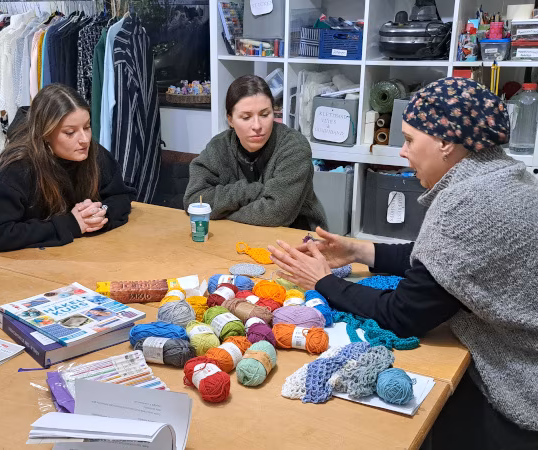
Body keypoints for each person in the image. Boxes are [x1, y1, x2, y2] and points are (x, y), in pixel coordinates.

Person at [268, 78, 538, 448]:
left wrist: (323, 282)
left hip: (521, 392)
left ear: (445, 142)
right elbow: (440, 261)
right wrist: (359, 251)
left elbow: (406, 315)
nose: (402, 152)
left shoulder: (467, 203)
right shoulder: (502, 175)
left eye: (410, 139)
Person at [0, 83, 134, 253]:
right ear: (45, 134)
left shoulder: (93, 154)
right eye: (70, 132)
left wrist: (100, 214)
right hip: (2, 269)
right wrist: (71, 224)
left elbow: (120, 195)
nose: (85, 139)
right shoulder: (11, 172)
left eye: (87, 127)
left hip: (68, 258)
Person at [184, 75, 326, 230]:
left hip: (297, 238)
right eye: (246, 117)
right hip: (237, 234)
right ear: (230, 119)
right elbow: (194, 200)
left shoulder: (294, 146)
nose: (257, 126)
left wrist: (223, 213)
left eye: (265, 115)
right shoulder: (218, 147)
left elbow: (275, 214)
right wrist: (251, 190)